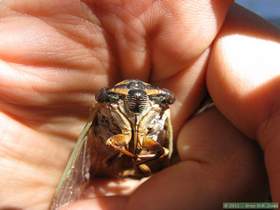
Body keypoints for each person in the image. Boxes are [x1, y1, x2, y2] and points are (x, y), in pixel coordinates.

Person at [0, 1, 279, 210]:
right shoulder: (108, 111)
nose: (136, 102)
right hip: (99, 159)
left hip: (153, 165)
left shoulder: (160, 111)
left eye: (161, 100)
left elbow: (164, 148)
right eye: (111, 99)